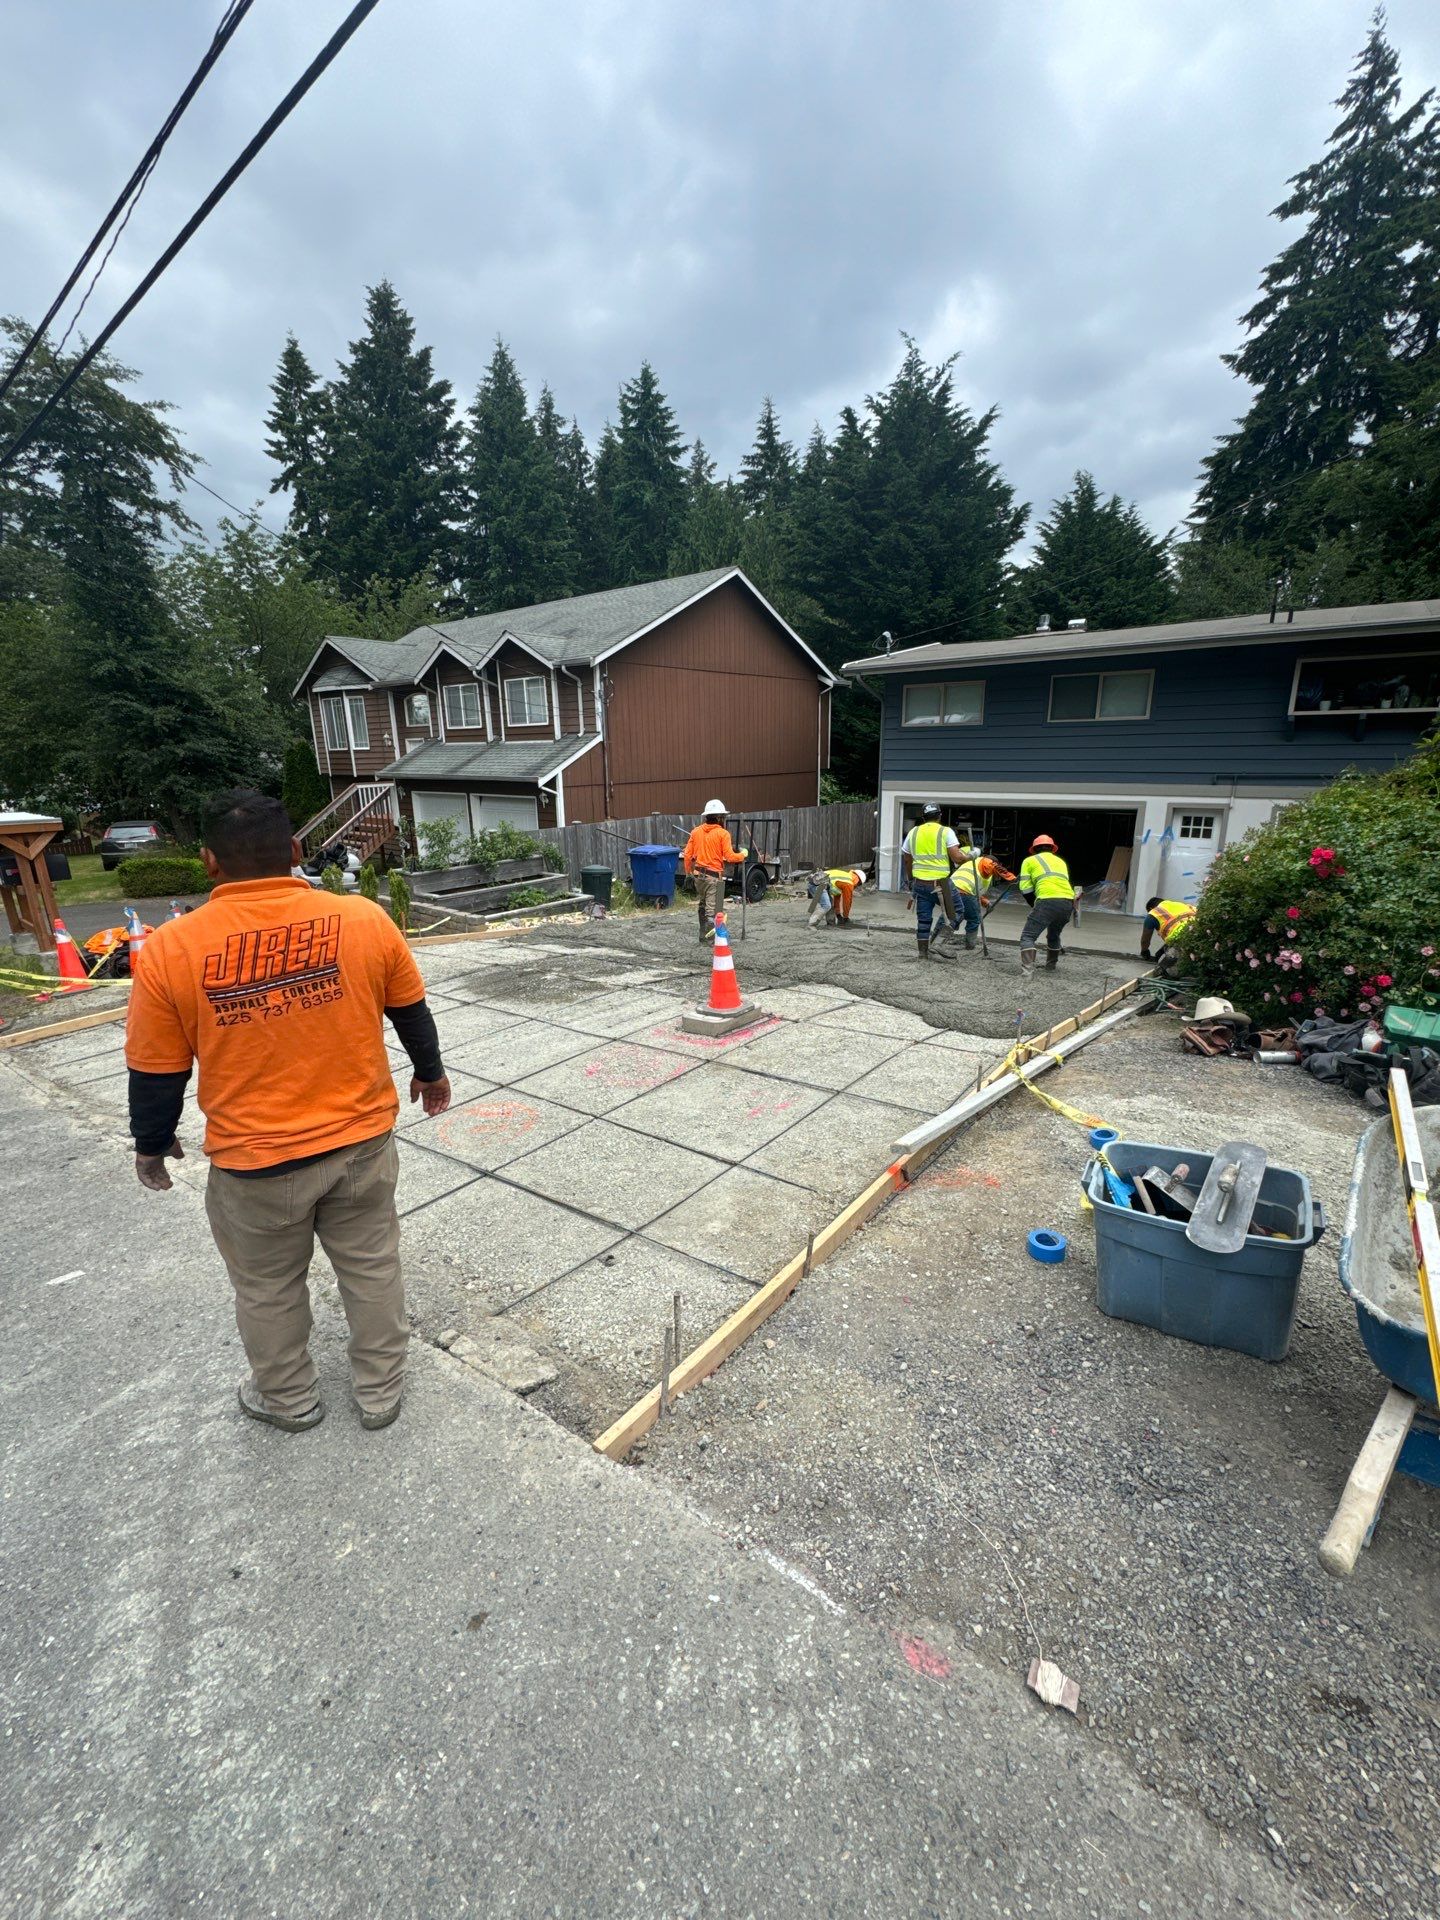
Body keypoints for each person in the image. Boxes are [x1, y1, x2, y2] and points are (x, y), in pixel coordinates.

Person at [125, 788, 452, 1435]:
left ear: (209, 862)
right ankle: (381, 1394)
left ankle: (290, 1400)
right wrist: (431, 1076)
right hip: (359, 1145)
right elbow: (411, 1010)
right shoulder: (363, 921)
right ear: (297, 852)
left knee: (268, 1288)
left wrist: (152, 1142)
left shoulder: (170, 949)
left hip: (255, 1167)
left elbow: (157, 1066)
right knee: (372, 1265)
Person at [900, 805, 963, 960]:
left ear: (923, 817)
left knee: (924, 919)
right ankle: (939, 943)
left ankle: (923, 953)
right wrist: (972, 856)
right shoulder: (945, 832)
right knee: (957, 911)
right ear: (939, 815)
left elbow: (907, 859)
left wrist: (910, 879)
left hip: (920, 883)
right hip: (941, 882)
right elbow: (957, 858)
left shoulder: (913, 833)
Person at [682, 799, 749, 943]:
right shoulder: (722, 834)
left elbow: (687, 855)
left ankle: (703, 935)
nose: (723, 819)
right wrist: (742, 855)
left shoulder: (696, 832)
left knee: (703, 904)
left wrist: (688, 873)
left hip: (698, 876)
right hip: (713, 877)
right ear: (719, 817)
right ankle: (713, 939)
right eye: (723, 817)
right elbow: (730, 857)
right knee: (713, 910)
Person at [1016, 833, 1076, 979]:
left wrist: (1034, 905)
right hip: (1068, 901)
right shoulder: (1060, 861)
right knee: (1054, 934)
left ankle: (1027, 973)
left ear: (1034, 849)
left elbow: (1026, 889)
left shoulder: (1029, 860)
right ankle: (1051, 966)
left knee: (1028, 936)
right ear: (1052, 848)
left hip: (1047, 900)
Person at [950, 847, 1017, 950]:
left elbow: (975, 894)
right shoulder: (984, 860)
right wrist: (1011, 878)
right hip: (963, 890)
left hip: (949, 889)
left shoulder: (975, 866)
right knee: (974, 918)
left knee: (955, 915)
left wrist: (986, 903)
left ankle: (939, 939)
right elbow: (992, 865)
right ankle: (970, 945)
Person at [1140, 895, 1196, 975]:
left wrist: (1144, 951)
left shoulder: (1153, 913)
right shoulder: (1182, 905)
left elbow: (1145, 940)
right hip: (1202, 935)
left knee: (1164, 972)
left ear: (1150, 909)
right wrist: (1161, 951)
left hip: (1182, 940)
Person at [808, 864, 867, 929]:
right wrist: (846, 918)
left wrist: (838, 915)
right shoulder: (848, 883)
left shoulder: (843, 879)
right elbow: (847, 901)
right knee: (826, 905)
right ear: (857, 879)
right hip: (818, 884)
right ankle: (811, 924)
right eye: (859, 884)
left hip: (816, 882)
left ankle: (831, 924)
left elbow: (837, 898)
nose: (857, 886)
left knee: (830, 904)